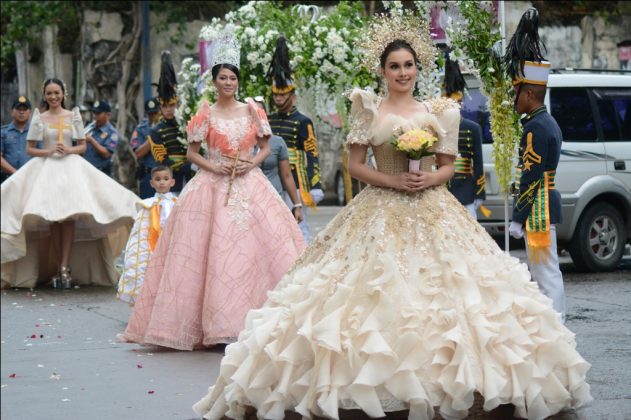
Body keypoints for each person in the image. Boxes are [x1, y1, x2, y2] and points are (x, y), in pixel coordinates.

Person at [193, 13, 591, 420]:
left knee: (455, 292)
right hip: (379, 207)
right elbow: (354, 165)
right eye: (395, 66)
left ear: (418, 68)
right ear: (383, 71)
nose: (403, 72)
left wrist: (429, 178)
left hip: (434, 207)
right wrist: (391, 180)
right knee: (364, 296)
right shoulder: (368, 108)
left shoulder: (439, 111)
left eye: (409, 65)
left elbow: (449, 166)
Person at [118, 31, 305, 350]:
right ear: (215, 81)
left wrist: (253, 163)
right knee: (215, 252)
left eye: (233, 77)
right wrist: (212, 165)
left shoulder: (252, 110)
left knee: (259, 250)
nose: (228, 82)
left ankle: (265, 317)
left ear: (237, 80)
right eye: (223, 77)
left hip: (250, 183)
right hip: (212, 184)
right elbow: (191, 153)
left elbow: (265, 146)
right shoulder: (205, 112)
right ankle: (214, 322)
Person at [1, 78, 139, 289]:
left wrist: (69, 150)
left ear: (63, 93)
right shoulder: (39, 117)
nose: (53, 97)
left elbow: (82, 146)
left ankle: (65, 267)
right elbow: (30, 148)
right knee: (53, 218)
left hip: (70, 169)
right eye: (49, 93)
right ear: (44, 95)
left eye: (57, 92)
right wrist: (48, 151)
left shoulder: (73, 115)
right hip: (47, 170)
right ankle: (57, 268)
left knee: (69, 218)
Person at [505, 8, 566, 322]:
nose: (513, 99)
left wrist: (518, 215)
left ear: (529, 93)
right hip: (542, 203)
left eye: (516, 92)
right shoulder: (543, 123)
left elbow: (531, 176)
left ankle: (555, 324)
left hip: (539, 206)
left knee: (544, 272)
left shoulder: (536, 128)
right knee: (544, 268)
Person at [267, 36, 323, 242]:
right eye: (276, 96)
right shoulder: (269, 120)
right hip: (273, 179)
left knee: (299, 226)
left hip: (296, 180)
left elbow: (312, 154)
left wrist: (314, 185)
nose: (278, 99)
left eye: (283, 95)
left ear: (292, 95)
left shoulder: (303, 121)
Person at [117, 165, 176, 305]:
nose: (162, 182)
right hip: (152, 245)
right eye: (158, 179)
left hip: (172, 244)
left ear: (172, 182)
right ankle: (148, 303)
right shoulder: (147, 206)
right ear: (152, 183)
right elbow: (140, 232)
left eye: (165, 179)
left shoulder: (178, 204)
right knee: (150, 271)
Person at [443, 56, 487, 219]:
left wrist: (480, 193)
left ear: (461, 103)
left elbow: (478, 162)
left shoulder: (473, 128)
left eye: (458, 102)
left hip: (466, 190)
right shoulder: (436, 127)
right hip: (443, 189)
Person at [252, 97, 303, 224]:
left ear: (265, 116)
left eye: (258, 113)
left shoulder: (277, 142)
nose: (254, 117)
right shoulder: (238, 143)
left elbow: (287, 175)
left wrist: (297, 205)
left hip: (274, 199)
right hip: (249, 200)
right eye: (250, 113)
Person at [147, 51, 191, 194]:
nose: (168, 110)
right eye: (165, 106)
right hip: (170, 179)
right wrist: (182, 166)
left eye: (171, 105)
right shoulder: (156, 131)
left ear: (177, 104)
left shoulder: (187, 124)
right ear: (160, 107)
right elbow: (161, 158)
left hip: (192, 174)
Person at [1, 96, 39, 183]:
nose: (21, 112)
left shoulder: (36, 132)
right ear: (12, 112)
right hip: (7, 178)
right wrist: (16, 173)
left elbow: (41, 156)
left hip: (31, 177)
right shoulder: (3, 132)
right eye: (18, 109)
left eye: (25, 109)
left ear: (30, 112)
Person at [131, 97, 161, 198]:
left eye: (155, 113)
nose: (153, 116)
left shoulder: (167, 126)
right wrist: (153, 136)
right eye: (150, 114)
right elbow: (138, 153)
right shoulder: (141, 129)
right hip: (149, 175)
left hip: (166, 175)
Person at [84, 100, 119, 176]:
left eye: (98, 114)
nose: (95, 116)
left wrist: (91, 140)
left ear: (108, 115)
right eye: (94, 113)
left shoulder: (112, 133)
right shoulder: (90, 127)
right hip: (85, 171)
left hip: (101, 173)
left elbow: (106, 154)